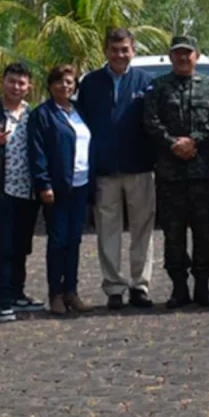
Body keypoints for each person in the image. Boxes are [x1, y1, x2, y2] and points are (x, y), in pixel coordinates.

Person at [143, 36, 209, 309]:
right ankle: (179, 289)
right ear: (171, 57)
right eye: (178, 53)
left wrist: (194, 140)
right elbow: (150, 121)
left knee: (204, 232)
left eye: (187, 53)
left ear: (196, 56)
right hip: (170, 175)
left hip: (201, 172)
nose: (183, 58)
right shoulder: (158, 88)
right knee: (173, 234)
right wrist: (173, 143)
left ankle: (202, 287)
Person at [78, 28, 155, 310]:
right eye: (114, 49)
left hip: (140, 167)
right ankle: (113, 287)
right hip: (104, 170)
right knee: (107, 231)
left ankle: (140, 286)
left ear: (133, 50)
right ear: (105, 51)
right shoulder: (91, 83)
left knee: (142, 230)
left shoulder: (146, 83)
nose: (120, 54)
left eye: (125, 49)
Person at [0, 63, 44, 322]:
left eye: (21, 83)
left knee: (21, 245)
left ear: (29, 87)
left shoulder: (32, 114)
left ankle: (17, 293)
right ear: (3, 82)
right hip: (1, 190)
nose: (16, 87)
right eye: (12, 81)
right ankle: (2, 299)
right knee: (3, 246)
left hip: (28, 191)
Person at [28, 65, 93, 315]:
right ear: (49, 85)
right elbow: (38, 152)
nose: (64, 86)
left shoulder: (79, 112)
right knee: (57, 241)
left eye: (68, 82)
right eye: (58, 82)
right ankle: (55, 294)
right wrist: (43, 183)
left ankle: (71, 292)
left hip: (81, 185)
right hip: (56, 188)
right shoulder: (42, 115)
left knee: (74, 240)